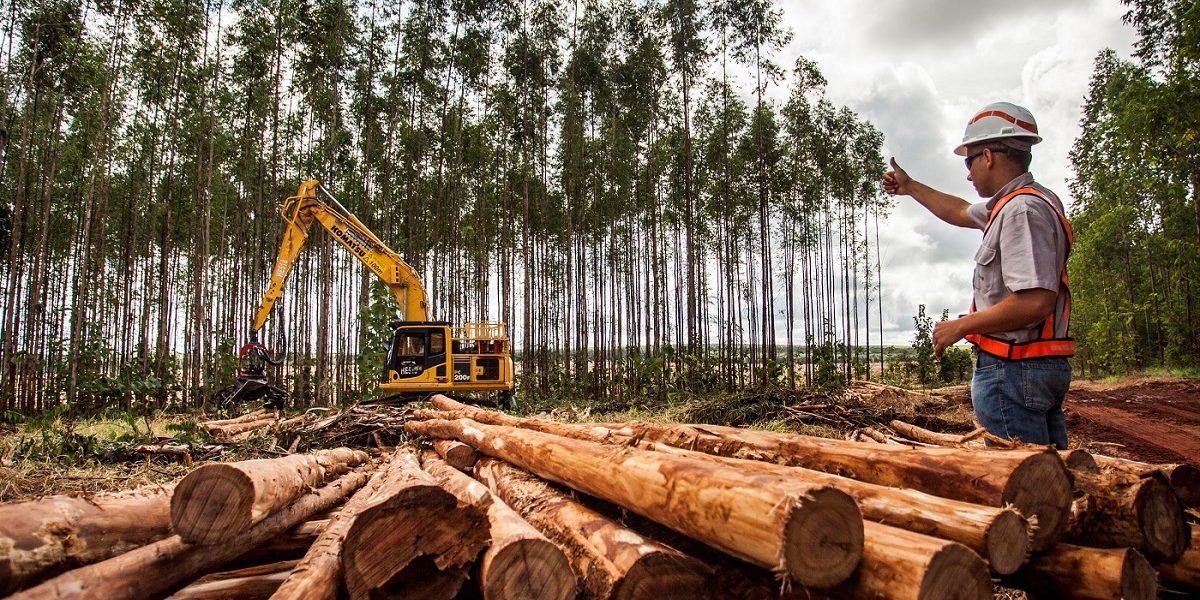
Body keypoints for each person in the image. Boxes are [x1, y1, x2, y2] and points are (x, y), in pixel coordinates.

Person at [883, 101, 1074, 449]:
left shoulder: (1021, 210)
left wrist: (961, 325)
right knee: (1054, 482)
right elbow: (958, 210)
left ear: (988, 156)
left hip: (1015, 369)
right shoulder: (1022, 202)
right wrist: (910, 187)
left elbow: (1035, 302)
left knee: (1023, 487)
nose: (968, 174)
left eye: (969, 161)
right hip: (1031, 368)